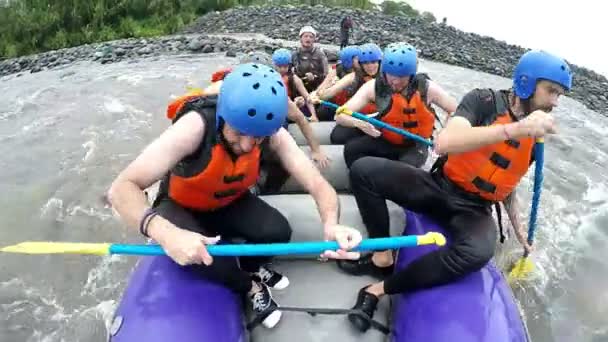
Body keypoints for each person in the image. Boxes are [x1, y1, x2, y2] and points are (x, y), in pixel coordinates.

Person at [107, 63, 362, 329]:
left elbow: (319, 185)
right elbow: (122, 188)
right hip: (181, 205)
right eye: (239, 133)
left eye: (258, 138)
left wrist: (331, 224)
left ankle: (253, 267)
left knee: (277, 232)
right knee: (214, 261)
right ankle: (249, 285)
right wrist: (166, 233)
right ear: (223, 116)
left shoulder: (272, 133)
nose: (247, 146)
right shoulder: (194, 127)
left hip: (228, 200)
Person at [337, 50, 573, 332]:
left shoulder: (537, 136)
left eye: (559, 95)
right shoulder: (483, 101)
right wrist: (517, 129)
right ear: (526, 82)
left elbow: (507, 182)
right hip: (438, 187)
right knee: (363, 170)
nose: (555, 102)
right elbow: (446, 142)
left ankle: (378, 289)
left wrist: (519, 231)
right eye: (551, 91)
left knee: (478, 253)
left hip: (474, 209)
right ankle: (383, 254)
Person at [331, 42, 457, 167]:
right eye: (391, 75)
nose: (395, 82)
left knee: (404, 168)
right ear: (384, 70)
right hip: (387, 138)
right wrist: (360, 124)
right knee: (352, 149)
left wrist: (445, 133)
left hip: (415, 145)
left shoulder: (427, 88)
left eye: (402, 77)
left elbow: (455, 111)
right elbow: (339, 116)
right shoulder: (373, 87)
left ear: (412, 74)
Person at [311, 43, 382, 144]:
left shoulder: (388, 77)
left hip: (378, 116)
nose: (370, 66)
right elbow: (328, 94)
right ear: (361, 64)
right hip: (359, 114)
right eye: (366, 63)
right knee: (337, 136)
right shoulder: (352, 76)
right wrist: (319, 94)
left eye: (374, 62)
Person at [272, 48, 319, 122]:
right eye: (279, 67)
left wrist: (313, 115)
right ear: (274, 65)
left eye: (285, 67)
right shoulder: (270, 77)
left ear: (289, 65)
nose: (282, 69)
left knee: (302, 105)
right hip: (277, 110)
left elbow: (307, 98)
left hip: (291, 108)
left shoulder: (294, 78)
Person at [291, 26, 330, 94]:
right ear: (301, 38)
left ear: (314, 39)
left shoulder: (320, 55)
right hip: (298, 90)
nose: (308, 39)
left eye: (311, 37)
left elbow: (326, 76)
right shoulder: (294, 55)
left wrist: (314, 77)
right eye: (305, 36)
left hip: (315, 90)